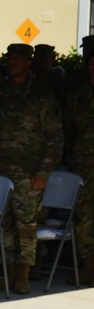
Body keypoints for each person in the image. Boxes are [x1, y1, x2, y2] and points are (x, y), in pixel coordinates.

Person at [0, 43, 62, 294]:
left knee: (26, 225)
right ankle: (6, 269)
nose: (12, 62)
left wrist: (44, 171)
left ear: (29, 63)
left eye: (18, 58)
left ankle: (23, 273)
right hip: (1, 171)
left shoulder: (41, 95)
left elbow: (54, 137)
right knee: (4, 224)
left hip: (29, 175)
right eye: (10, 58)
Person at [59, 53, 94, 285]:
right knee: (85, 219)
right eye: (92, 65)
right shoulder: (78, 96)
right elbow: (68, 132)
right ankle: (89, 267)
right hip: (84, 166)